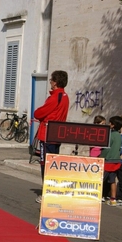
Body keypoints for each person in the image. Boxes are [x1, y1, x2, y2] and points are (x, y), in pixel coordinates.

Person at [33, 70, 69, 203]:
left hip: (47, 134)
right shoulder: (65, 96)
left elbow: (39, 113)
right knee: (53, 164)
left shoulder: (55, 97)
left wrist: (39, 113)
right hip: (57, 134)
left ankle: (47, 192)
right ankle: (53, 190)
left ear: (55, 82)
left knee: (45, 164)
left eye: (51, 80)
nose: (50, 83)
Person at [100, 116, 122, 207]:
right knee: (112, 180)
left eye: (110, 123)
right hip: (116, 161)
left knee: (101, 179)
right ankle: (113, 199)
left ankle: (98, 196)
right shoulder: (119, 136)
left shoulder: (110, 135)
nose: (108, 124)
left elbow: (106, 148)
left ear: (113, 125)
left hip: (108, 161)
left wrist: (101, 156)